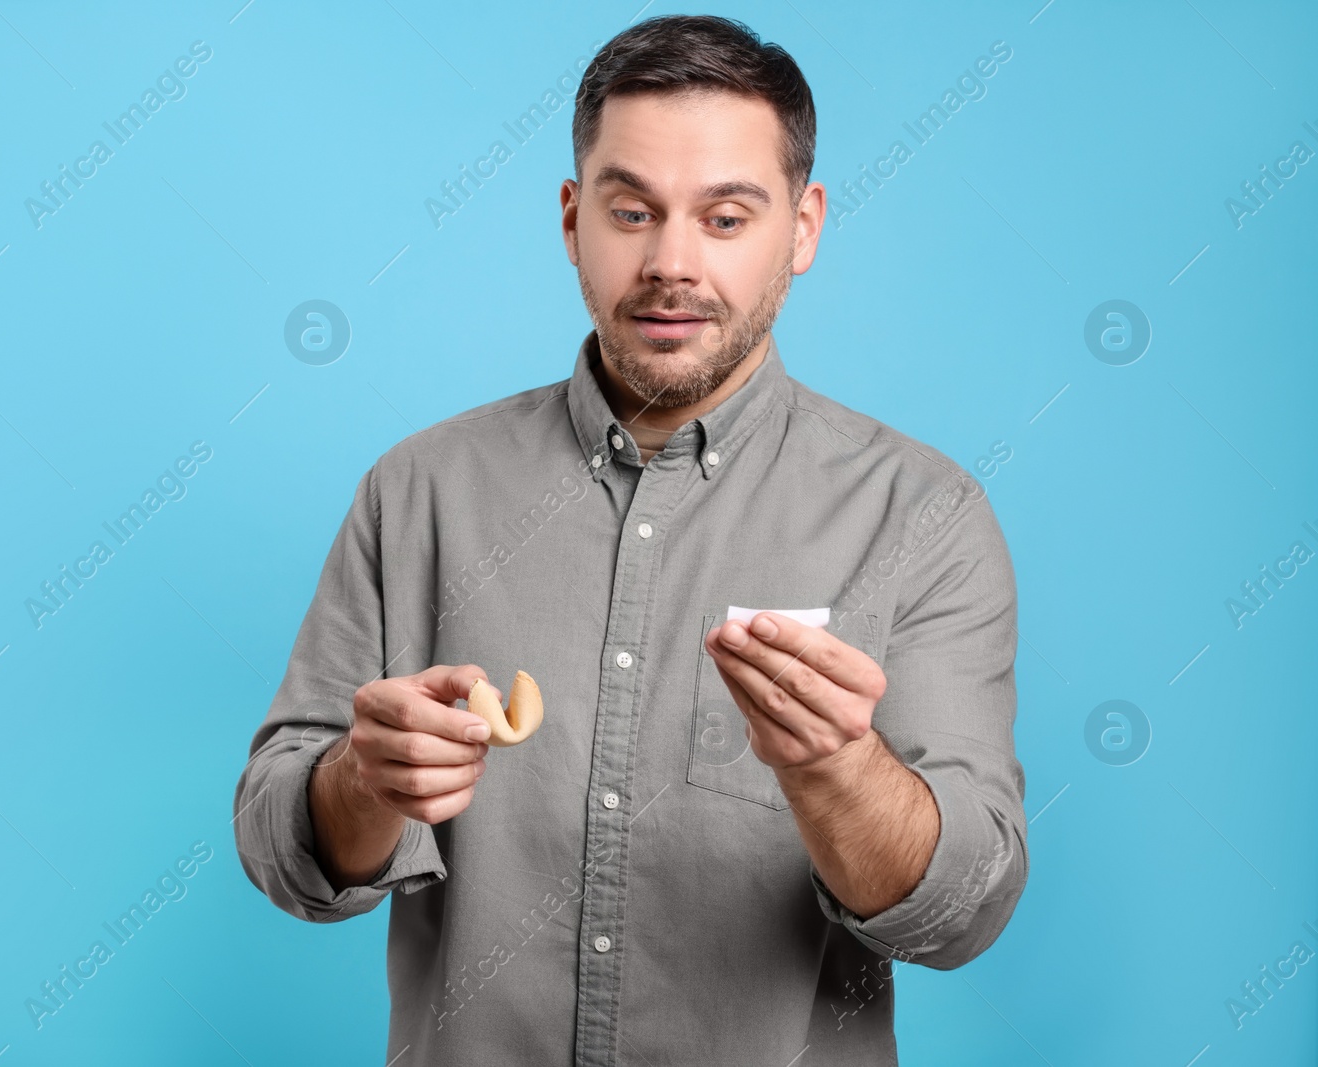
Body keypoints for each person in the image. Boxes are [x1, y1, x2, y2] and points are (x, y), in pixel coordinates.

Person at [233, 14, 1027, 1066]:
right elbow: (284, 854)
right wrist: (363, 780)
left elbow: (961, 913)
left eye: (726, 217)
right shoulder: (418, 489)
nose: (669, 262)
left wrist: (839, 767)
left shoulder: (924, 514)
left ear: (803, 226)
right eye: (630, 210)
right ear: (573, 220)